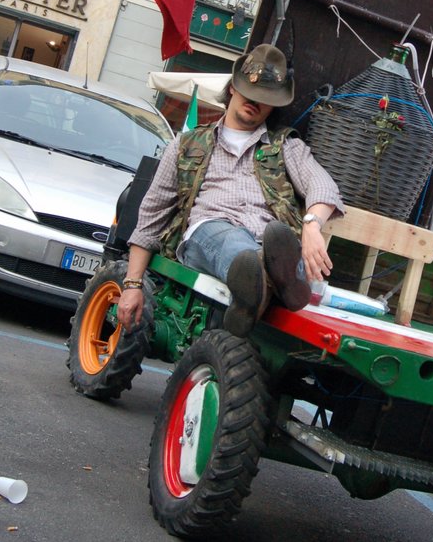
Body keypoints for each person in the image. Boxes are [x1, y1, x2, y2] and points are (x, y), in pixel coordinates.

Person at [117, 44, 345, 338]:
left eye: (265, 98)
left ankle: (256, 295)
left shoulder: (287, 146)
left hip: (269, 239)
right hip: (208, 232)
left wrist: (312, 225)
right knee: (235, 246)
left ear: (274, 105)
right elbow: (151, 216)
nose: (254, 102)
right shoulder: (187, 145)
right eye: (249, 93)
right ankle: (275, 279)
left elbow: (324, 185)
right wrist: (132, 284)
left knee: (275, 240)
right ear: (233, 90)